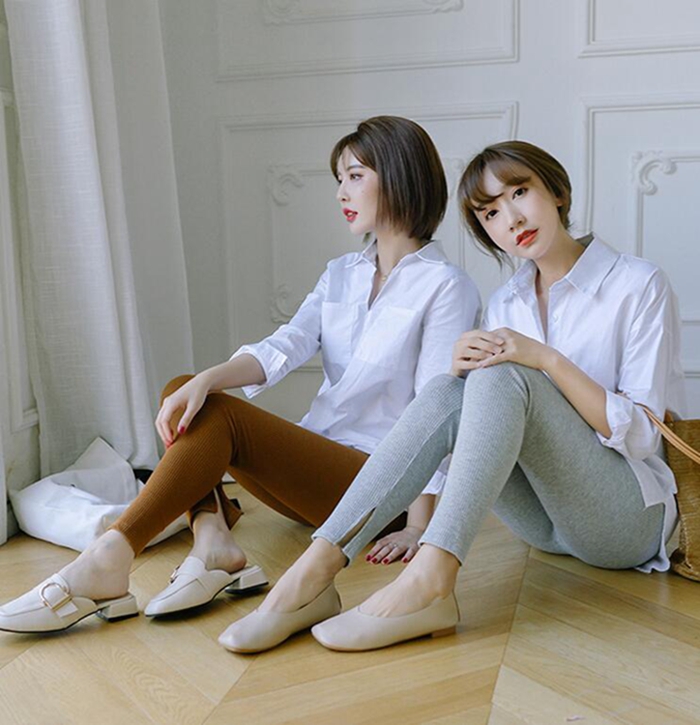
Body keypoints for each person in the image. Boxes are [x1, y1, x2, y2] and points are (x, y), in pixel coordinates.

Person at [0, 116, 480, 634]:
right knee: (184, 391)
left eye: (356, 176)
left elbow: (438, 408)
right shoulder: (342, 273)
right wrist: (207, 378)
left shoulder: (446, 286)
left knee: (218, 415)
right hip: (314, 473)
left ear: (401, 175)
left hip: (383, 489)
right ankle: (214, 540)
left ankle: (109, 558)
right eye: (339, 178)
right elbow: (286, 345)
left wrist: (418, 525)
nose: (341, 191)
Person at [219, 140, 685, 654]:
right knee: (450, 386)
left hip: (627, 520)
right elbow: (483, 419)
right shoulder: (507, 301)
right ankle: (314, 571)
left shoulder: (638, 284)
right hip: (545, 527)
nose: (511, 218)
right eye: (490, 213)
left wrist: (546, 360)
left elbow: (644, 437)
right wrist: (463, 373)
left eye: (520, 193)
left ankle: (431, 581)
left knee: (505, 376)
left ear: (557, 191)